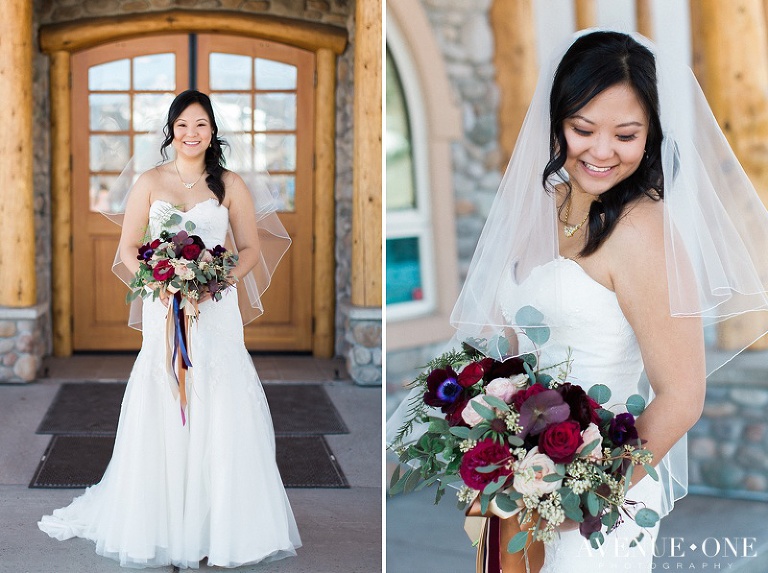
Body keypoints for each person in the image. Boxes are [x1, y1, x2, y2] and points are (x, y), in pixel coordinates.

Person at [387, 29, 768, 573]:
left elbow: (682, 394)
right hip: (516, 480)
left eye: (626, 134)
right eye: (582, 129)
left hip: (600, 493)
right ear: (557, 123)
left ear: (652, 136)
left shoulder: (644, 232)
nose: (602, 151)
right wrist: (487, 435)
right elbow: (507, 348)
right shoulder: (540, 206)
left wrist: (585, 497)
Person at [38, 90, 301, 569]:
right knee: (165, 395)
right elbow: (126, 249)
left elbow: (249, 251)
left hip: (215, 309)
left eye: (200, 124)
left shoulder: (230, 186)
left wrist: (215, 282)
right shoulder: (150, 181)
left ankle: (217, 528)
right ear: (171, 130)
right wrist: (157, 284)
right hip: (164, 308)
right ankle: (160, 522)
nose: (191, 133)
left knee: (219, 400)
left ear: (213, 131)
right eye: (182, 125)